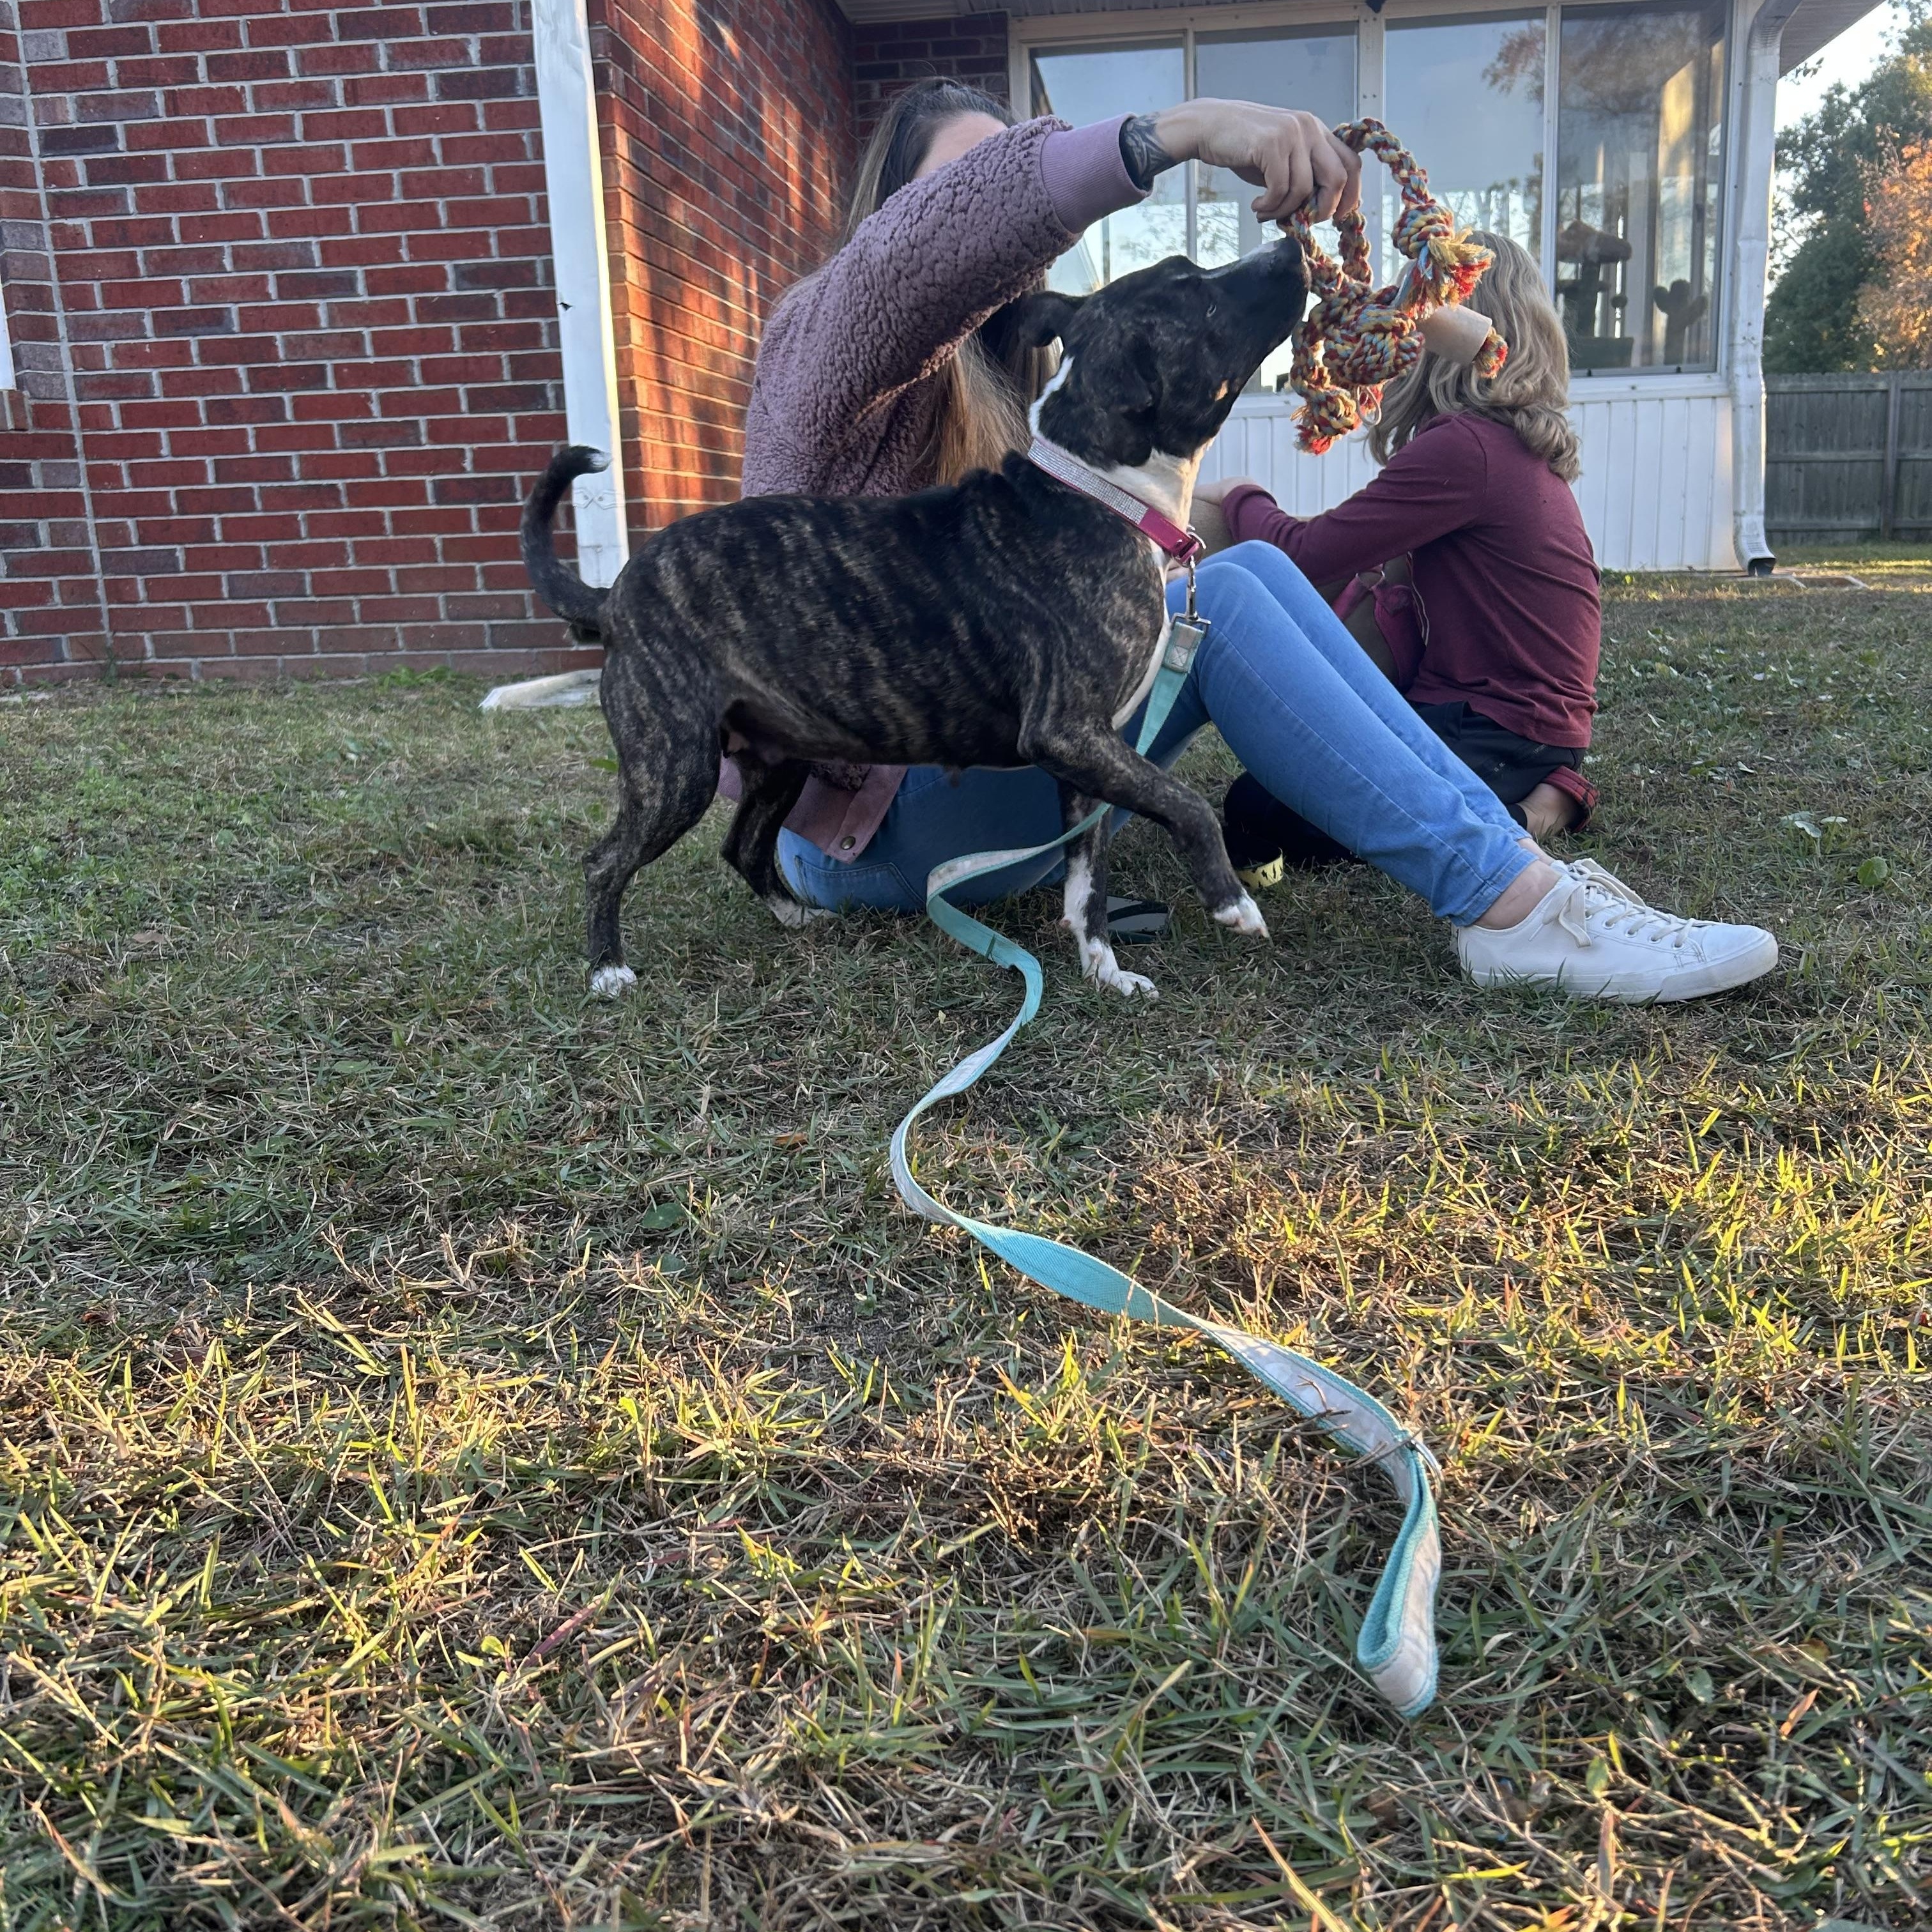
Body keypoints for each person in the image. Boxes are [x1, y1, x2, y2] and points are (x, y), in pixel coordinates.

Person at [734, 77, 1777, 1003]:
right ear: (892, 218)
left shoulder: (1026, 383)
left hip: (991, 782)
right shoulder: (822, 350)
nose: (986, 226)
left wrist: (1389, 313)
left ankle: (1509, 867)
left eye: (1003, 187)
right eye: (954, 190)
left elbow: (1182, 399)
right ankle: (1510, 913)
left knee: (1249, 571)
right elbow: (924, 256)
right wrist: (1186, 129)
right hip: (867, 832)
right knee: (1218, 600)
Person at [1193, 233, 1602, 868]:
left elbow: (1302, 556)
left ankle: (1519, 809)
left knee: (1261, 811)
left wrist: (1238, 494)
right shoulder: (1509, 447)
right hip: (1527, 730)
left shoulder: (1466, 448)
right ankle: (1548, 793)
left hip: (1490, 729)